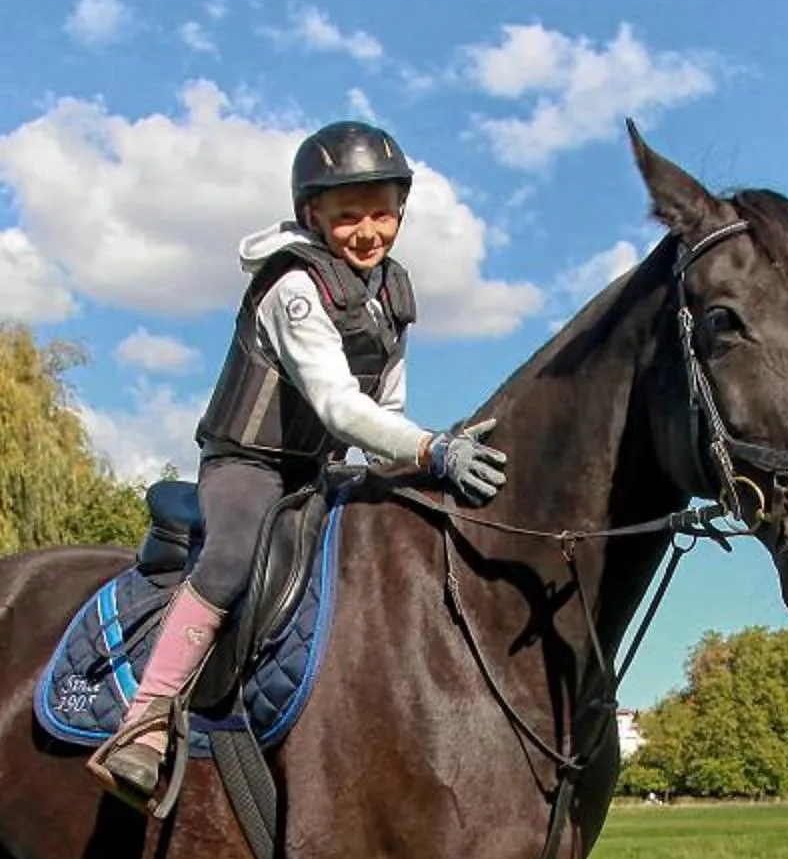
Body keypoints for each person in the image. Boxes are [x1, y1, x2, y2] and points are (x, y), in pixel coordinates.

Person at [88, 121, 509, 805]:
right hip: (248, 465)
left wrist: (418, 462)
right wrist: (432, 448)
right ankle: (146, 720)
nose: (368, 231)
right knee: (231, 558)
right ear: (313, 214)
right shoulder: (293, 285)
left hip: (322, 472)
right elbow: (338, 405)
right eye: (348, 216)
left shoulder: (392, 292)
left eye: (382, 213)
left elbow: (385, 409)